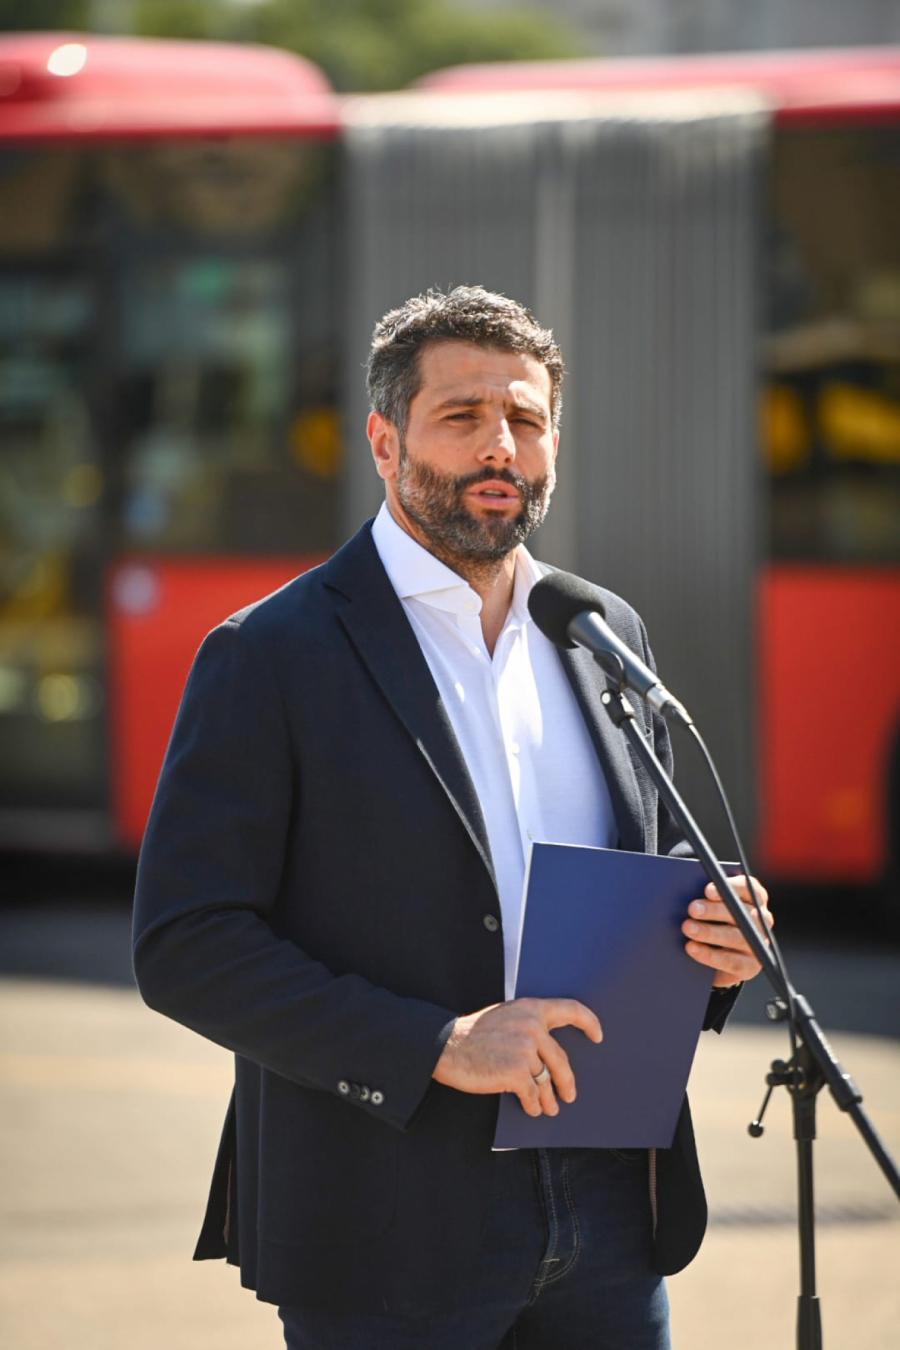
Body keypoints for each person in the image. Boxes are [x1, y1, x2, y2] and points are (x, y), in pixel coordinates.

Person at [133, 285, 772, 1349]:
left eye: (524, 418)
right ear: (386, 442)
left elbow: (647, 865)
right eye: (462, 415)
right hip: (387, 1219)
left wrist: (712, 940)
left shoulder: (601, 631)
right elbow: (186, 944)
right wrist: (437, 1043)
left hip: (611, 1209)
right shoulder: (271, 653)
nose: (500, 446)